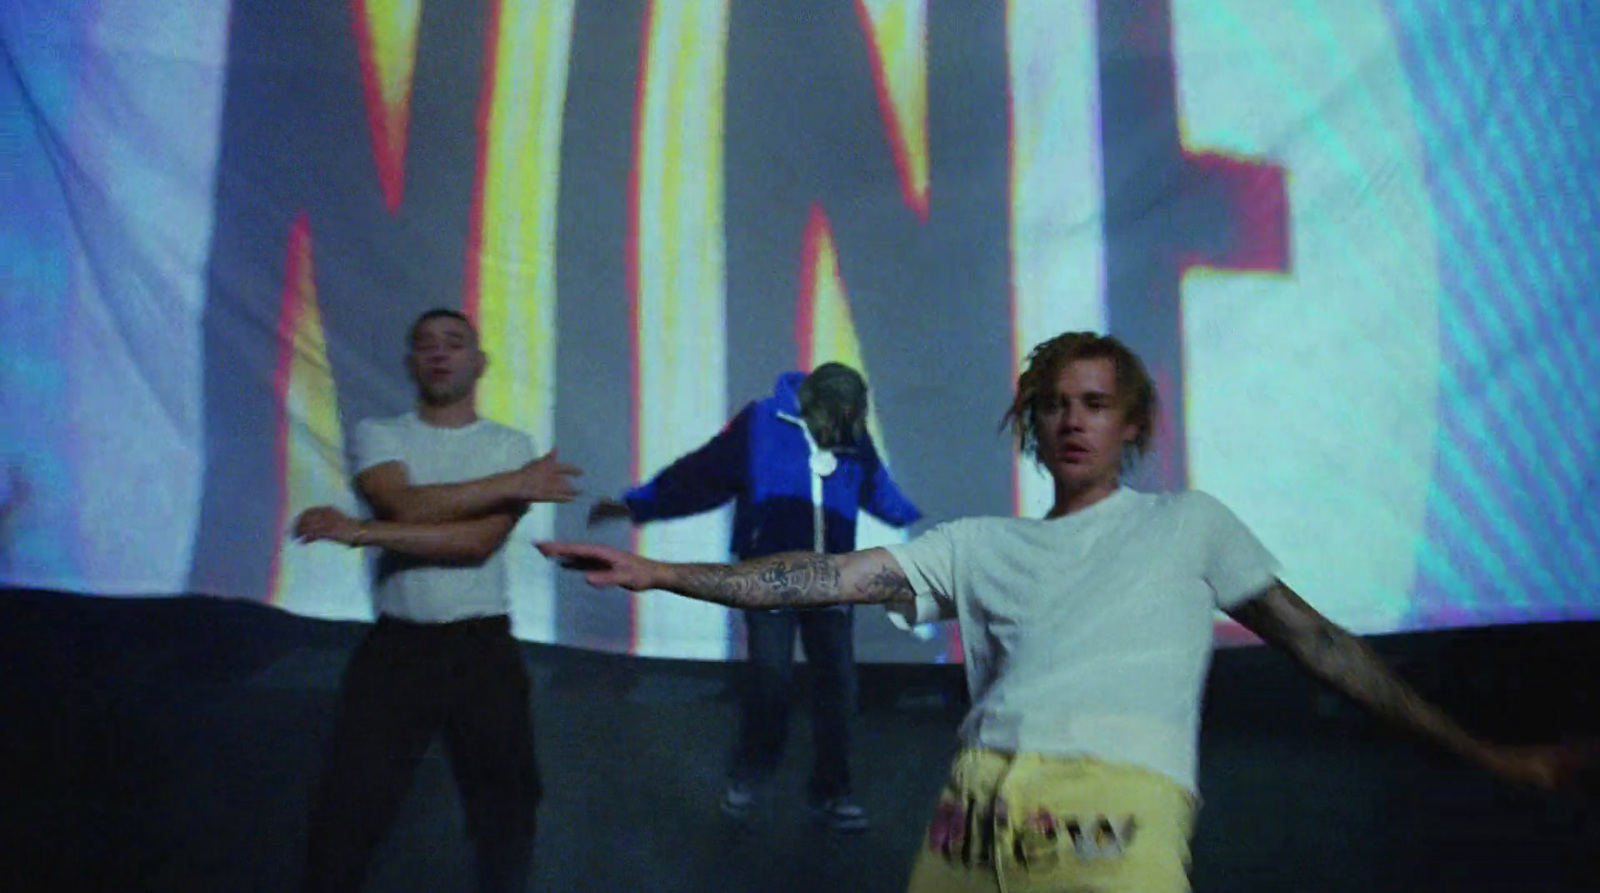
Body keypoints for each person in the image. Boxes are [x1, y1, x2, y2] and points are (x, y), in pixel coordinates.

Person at [541, 332, 1589, 892]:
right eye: (1054, 402)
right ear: (1032, 424)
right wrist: (659, 572)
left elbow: (1320, 645)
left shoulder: (1189, 523)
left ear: (1130, 422)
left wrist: (1489, 756)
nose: (1071, 417)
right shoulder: (983, 544)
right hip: (967, 819)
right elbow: (817, 575)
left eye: (1094, 401)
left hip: (1110, 821)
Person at [293, 308, 581, 893]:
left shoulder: (510, 443)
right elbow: (407, 507)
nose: (439, 353)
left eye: (454, 342)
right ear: (411, 363)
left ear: (479, 362)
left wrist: (361, 532)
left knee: (506, 811)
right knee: (348, 810)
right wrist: (511, 483)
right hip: (397, 650)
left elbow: (475, 543)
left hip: (482, 650)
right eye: (425, 344)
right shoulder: (383, 434)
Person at [588, 363, 922, 831]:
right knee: (771, 681)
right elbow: (700, 474)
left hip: (832, 580)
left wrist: (923, 524)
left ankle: (832, 791)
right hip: (768, 580)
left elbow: (876, 486)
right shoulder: (762, 423)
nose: (847, 431)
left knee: (840, 689)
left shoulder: (850, 430)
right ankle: (749, 773)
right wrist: (636, 503)